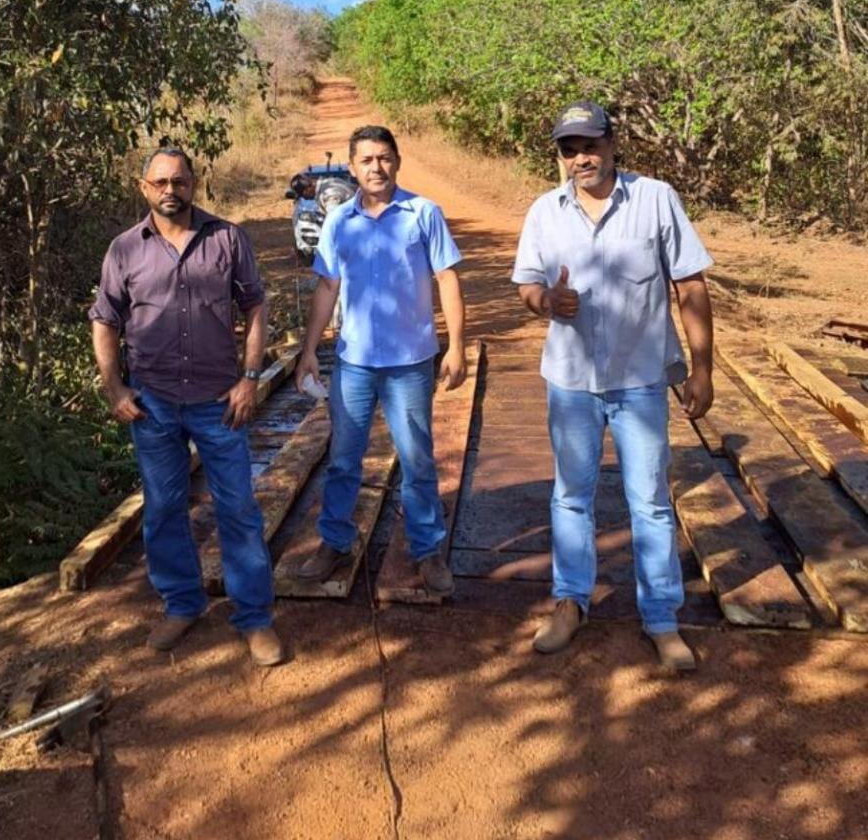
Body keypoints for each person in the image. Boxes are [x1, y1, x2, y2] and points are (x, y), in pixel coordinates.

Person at [512, 100, 714, 670]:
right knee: (570, 497)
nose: (582, 157)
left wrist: (702, 368)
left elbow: (691, 286)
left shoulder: (655, 199)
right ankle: (570, 602)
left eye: (590, 144)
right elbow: (526, 283)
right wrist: (546, 301)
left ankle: (661, 620)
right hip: (571, 382)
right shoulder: (544, 213)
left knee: (648, 501)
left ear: (613, 143)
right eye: (569, 148)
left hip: (641, 380)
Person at [89, 146, 284, 666]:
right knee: (163, 509)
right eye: (160, 182)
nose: (170, 190)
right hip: (152, 404)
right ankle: (182, 604)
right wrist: (115, 389)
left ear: (194, 182)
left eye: (179, 181)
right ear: (143, 187)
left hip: (219, 401)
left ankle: (254, 618)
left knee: (238, 508)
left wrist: (250, 379)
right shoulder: (125, 250)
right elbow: (105, 320)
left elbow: (256, 306)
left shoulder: (227, 239)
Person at [295, 125, 467, 594]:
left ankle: (427, 550)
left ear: (397, 161)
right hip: (353, 363)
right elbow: (327, 287)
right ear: (352, 168)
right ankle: (335, 541)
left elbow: (447, 279)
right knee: (344, 459)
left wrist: (457, 347)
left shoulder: (423, 214)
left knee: (417, 460)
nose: (376, 167)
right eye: (366, 160)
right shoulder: (338, 222)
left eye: (384, 158)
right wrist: (309, 349)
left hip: (411, 363)